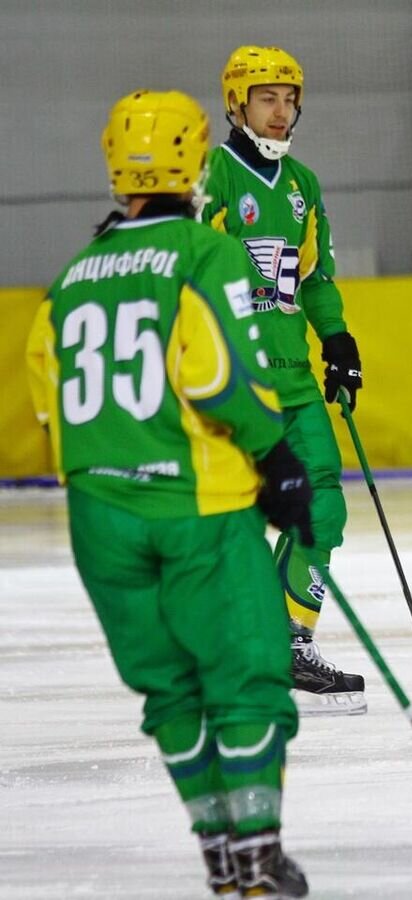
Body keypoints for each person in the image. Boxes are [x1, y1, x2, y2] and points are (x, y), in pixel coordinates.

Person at [26, 90, 310, 897]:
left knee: (170, 690)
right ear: (192, 164)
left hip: (98, 517)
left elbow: (48, 398)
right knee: (246, 675)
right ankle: (255, 854)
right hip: (198, 512)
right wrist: (275, 458)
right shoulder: (200, 252)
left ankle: (217, 853)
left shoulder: (74, 276)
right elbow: (217, 376)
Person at [202, 46, 365, 715]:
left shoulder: (302, 183)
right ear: (236, 105)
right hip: (233, 387)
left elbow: (317, 279)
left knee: (324, 509)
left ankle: (289, 642)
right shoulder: (210, 178)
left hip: (295, 384)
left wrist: (337, 341)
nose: (281, 110)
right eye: (266, 98)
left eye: (289, 97)